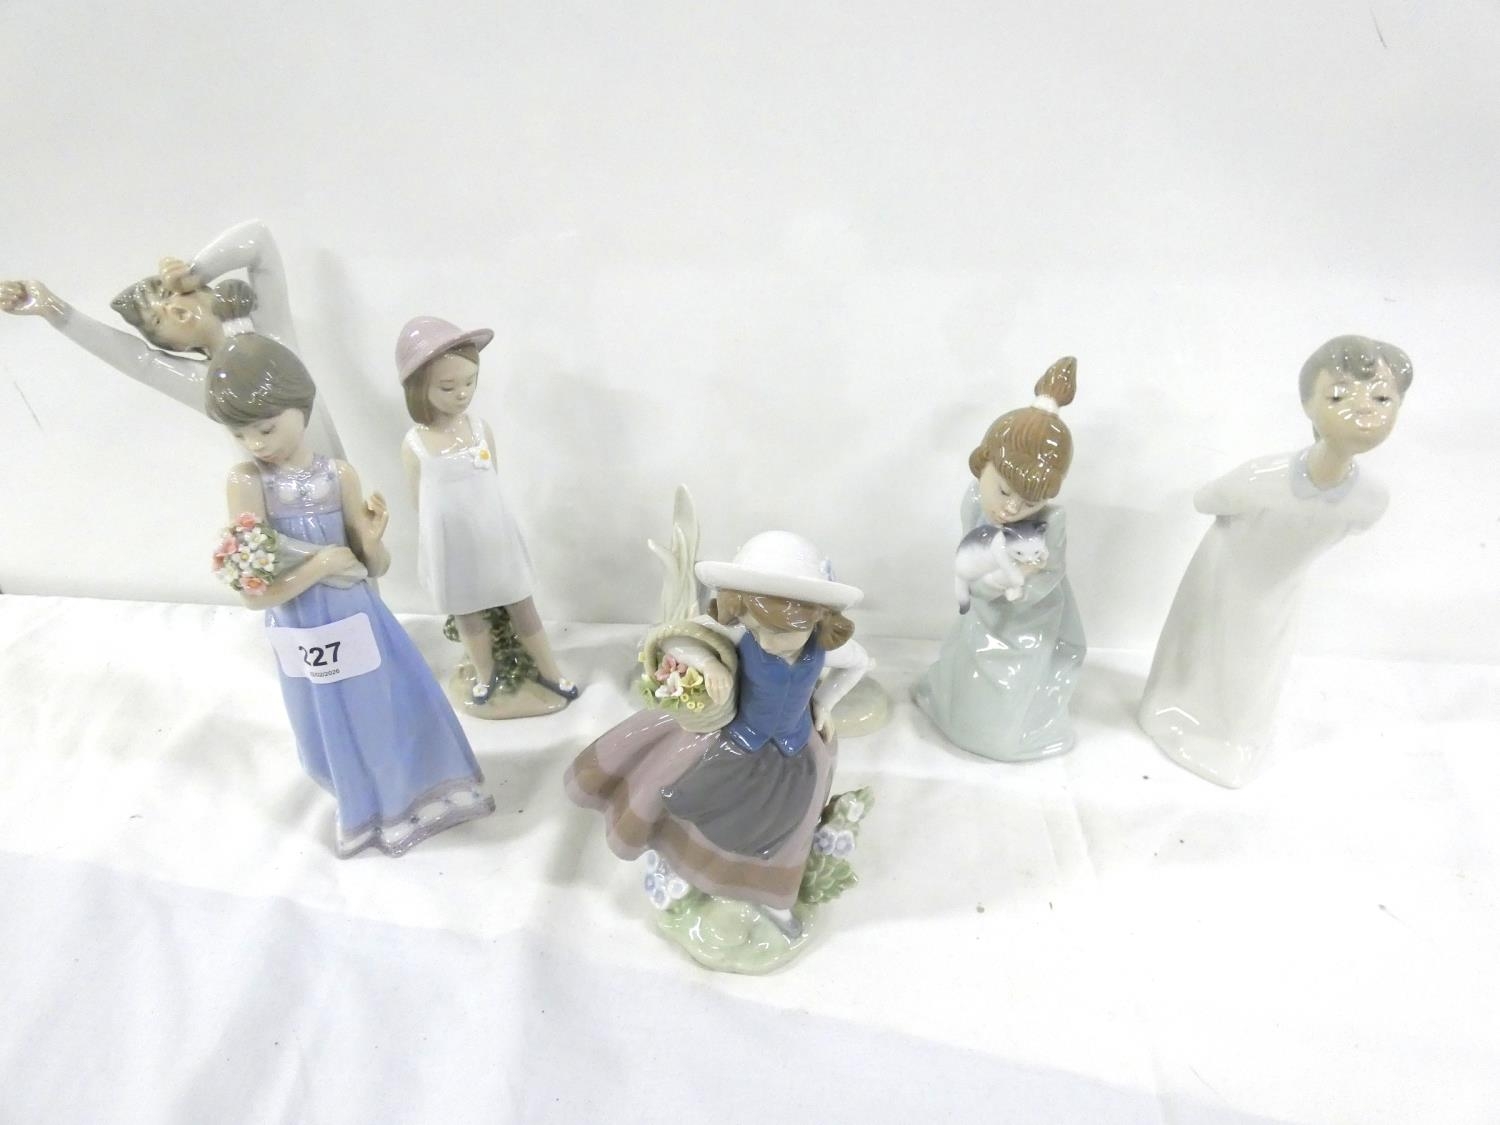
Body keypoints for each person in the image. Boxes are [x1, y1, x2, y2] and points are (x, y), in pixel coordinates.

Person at [209, 333, 492, 856]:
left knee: (380, 708)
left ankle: (406, 799)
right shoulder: (247, 481)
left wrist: (373, 540)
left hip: (356, 617)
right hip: (301, 625)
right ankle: (362, 809)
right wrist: (320, 565)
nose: (256, 444)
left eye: (266, 428)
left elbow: (372, 567)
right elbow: (255, 593)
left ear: (300, 407)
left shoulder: (338, 475)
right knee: (326, 721)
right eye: (240, 433)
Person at [1138, 335, 1412, 788]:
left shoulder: (1370, 499)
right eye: (1339, 395)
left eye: (1383, 398)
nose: (1364, 409)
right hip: (1224, 573)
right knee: (1200, 646)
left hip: (1280, 590)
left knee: (1257, 666)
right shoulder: (1260, 478)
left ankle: (1234, 739)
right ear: (1308, 404)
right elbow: (1206, 500)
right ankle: (1173, 712)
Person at [566, 531, 869, 939]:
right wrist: (708, 665)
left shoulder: (824, 647)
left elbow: (859, 664)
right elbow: (676, 637)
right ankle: (692, 868)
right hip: (735, 744)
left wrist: (824, 703)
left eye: (781, 632)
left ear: (817, 617)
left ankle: (773, 895)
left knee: (788, 831)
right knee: (698, 808)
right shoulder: (743, 634)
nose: (767, 641)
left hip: (795, 754)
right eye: (757, 629)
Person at [0, 220, 343, 457]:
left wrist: (194, 271)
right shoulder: (204, 384)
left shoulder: (272, 331)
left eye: (169, 294)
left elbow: (258, 239)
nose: (175, 308)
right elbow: (137, 361)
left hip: (343, 494)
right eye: (158, 319)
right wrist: (54, 309)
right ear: (175, 346)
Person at [397, 316, 577, 709]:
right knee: (468, 612)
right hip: (451, 543)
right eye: (448, 386)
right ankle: (485, 673)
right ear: (419, 388)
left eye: (469, 382)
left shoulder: (479, 430)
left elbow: (491, 482)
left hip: (493, 536)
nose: (462, 394)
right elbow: (417, 500)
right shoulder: (416, 445)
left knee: (521, 601)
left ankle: (549, 670)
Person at [914, 357, 1086, 761]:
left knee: (1005, 692)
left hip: (1026, 617)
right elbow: (971, 552)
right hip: (984, 605)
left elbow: (1046, 576)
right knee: (964, 662)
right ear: (983, 464)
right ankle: (952, 708)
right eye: (1004, 491)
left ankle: (1003, 732)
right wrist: (984, 582)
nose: (1011, 509)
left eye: (1029, 503)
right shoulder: (976, 499)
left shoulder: (1051, 523)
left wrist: (1016, 582)